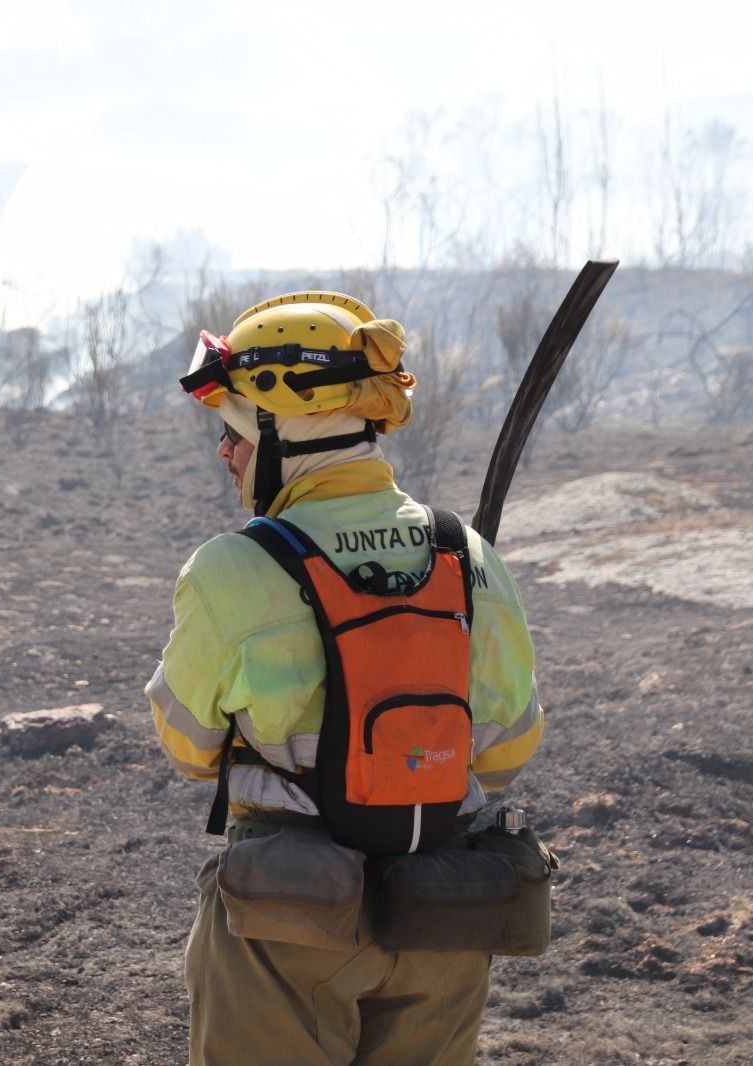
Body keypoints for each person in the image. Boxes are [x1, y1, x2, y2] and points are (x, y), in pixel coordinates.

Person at [147, 291, 544, 1066]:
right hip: (443, 913)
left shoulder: (233, 569)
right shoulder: (469, 555)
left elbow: (189, 749)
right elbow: (507, 752)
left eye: (233, 432)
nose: (225, 453)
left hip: (286, 920)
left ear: (284, 431)